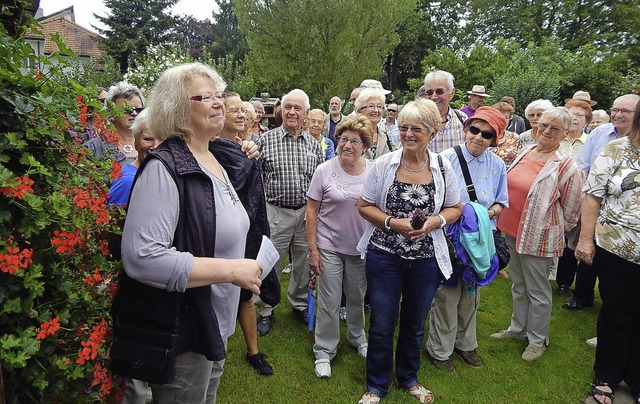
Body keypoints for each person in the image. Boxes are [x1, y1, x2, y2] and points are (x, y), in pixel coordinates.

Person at [111, 62, 263, 402]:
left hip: (215, 325)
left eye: (219, 95)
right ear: (177, 108)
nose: (219, 103)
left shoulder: (212, 158)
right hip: (185, 331)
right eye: (206, 96)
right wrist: (231, 270)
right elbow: (142, 257)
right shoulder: (164, 169)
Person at [356, 98, 462, 404]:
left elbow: (456, 207)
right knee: (382, 323)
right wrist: (393, 223)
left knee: (415, 323)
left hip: (426, 259)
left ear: (432, 131)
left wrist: (434, 221)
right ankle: (376, 385)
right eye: (403, 127)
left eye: (416, 128)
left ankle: (408, 377)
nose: (408, 134)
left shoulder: (442, 166)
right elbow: (364, 206)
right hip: (384, 255)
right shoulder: (383, 165)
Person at [491, 107, 585, 361]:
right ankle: (517, 329)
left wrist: (547, 229)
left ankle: (537, 340)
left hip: (538, 237)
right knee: (518, 285)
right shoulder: (526, 151)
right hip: (511, 230)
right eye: (543, 124)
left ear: (566, 133)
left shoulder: (566, 166)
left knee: (538, 290)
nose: (545, 131)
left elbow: (572, 211)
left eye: (554, 128)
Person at [425, 107, 509, 372]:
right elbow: (434, 201)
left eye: (486, 134)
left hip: (480, 238)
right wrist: (461, 215)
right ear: (465, 129)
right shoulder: (444, 160)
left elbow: (501, 202)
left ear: (494, 139)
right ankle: (440, 349)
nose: (478, 137)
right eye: (474, 130)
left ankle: (465, 344)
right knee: (448, 294)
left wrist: (482, 214)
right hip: (450, 236)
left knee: (471, 293)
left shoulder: (497, 164)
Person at [574, 100, 640, 404]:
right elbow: (592, 196)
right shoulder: (617, 150)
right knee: (616, 313)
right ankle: (607, 376)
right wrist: (585, 240)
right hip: (617, 248)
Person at [307, 115, 373, 379]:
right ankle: (324, 350)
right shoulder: (324, 170)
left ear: (365, 146)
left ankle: (358, 338)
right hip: (329, 246)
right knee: (329, 300)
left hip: (360, 248)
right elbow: (311, 212)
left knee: (357, 297)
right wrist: (313, 250)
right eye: (344, 138)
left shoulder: (373, 170)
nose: (348, 145)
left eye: (355, 141)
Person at [255, 89, 324, 336]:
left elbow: (319, 182)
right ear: (280, 111)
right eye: (288, 107)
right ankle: (265, 309)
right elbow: (256, 179)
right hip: (276, 212)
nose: (292, 112)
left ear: (306, 114)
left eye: (298, 108)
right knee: (270, 263)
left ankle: (299, 304)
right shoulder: (265, 141)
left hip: (306, 214)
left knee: (303, 263)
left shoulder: (315, 146)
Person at [217, 93, 274, 377]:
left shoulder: (245, 144)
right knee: (218, 289)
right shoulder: (210, 147)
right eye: (234, 110)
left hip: (249, 226)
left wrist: (249, 151)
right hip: (221, 229)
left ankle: (253, 351)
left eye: (243, 110)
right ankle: (214, 351)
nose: (240, 115)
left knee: (246, 294)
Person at [568, 94, 640, 310]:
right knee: (616, 309)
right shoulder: (606, 138)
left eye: (624, 111)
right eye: (614, 109)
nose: (617, 114)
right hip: (612, 238)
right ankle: (582, 297)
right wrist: (585, 237)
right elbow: (585, 171)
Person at [555, 99, 593, 298]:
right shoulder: (556, 139)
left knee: (573, 240)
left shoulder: (590, 142)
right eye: (571, 114)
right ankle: (547, 274)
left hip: (580, 199)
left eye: (580, 116)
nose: (575, 119)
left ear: (587, 121)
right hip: (555, 196)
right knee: (555, 237)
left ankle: (564, 282)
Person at [84, 81, 145, 167]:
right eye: (127, 110)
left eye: (139, 109)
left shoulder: (151, 144)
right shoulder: (94, 147)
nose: (134, 113)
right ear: (111, 112)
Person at [108, 110, 160, 206]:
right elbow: (114, 220)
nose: (155, 146)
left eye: (162, 139)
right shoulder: (128, 181)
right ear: (135, 143)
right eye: (148, 139)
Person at [420, 70, 467, 152]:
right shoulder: (417, 120)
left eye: (439, 91)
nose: (434, 97)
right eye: (429, 92)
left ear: (451, 93)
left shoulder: (462, 119)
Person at [355, 88, 393, 160]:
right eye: (371, 106)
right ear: (360, 110)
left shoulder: (385, 135)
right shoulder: (352, 133)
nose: (376, 110)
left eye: (379, 106)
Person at [490, 101, 523, 170]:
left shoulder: (515, 138)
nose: (503, 120)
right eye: (500, 117)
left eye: (506, 117)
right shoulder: (485, 135)